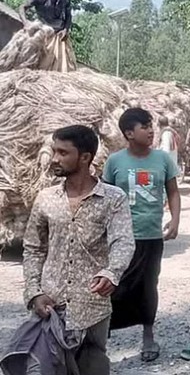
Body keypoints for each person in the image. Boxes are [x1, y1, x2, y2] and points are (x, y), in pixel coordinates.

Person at [4, 125, 135, 374]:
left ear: (85, 157)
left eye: (63, 153)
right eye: (54, 151)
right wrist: (34, 293)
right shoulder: (45, 198)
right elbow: (33, 248)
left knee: (93, 366)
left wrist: (111, 273)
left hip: (92, 309)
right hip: (50, 307)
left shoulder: (113, 198)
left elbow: (123, 241)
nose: (55, 158)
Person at [103, 108, 181, 362]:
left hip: (150, 235)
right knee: (116, 284)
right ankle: (103, 334)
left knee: (149, 286)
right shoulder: (115, 162)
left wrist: (175, 220)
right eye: (145, 126)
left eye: (151, 126)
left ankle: (148, 335)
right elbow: (105, 199)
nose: (151, 131)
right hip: (121, 237)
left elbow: (173, 192)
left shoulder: (162, 160)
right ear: (128, 133)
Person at [18, 0, 76, 72]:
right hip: (43, 33)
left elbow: (68, 15)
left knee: (64, 68)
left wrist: (66, 29)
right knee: (33, 61)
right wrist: (26, 23)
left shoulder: (64, 0)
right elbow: (22, 7)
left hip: (59, 35)